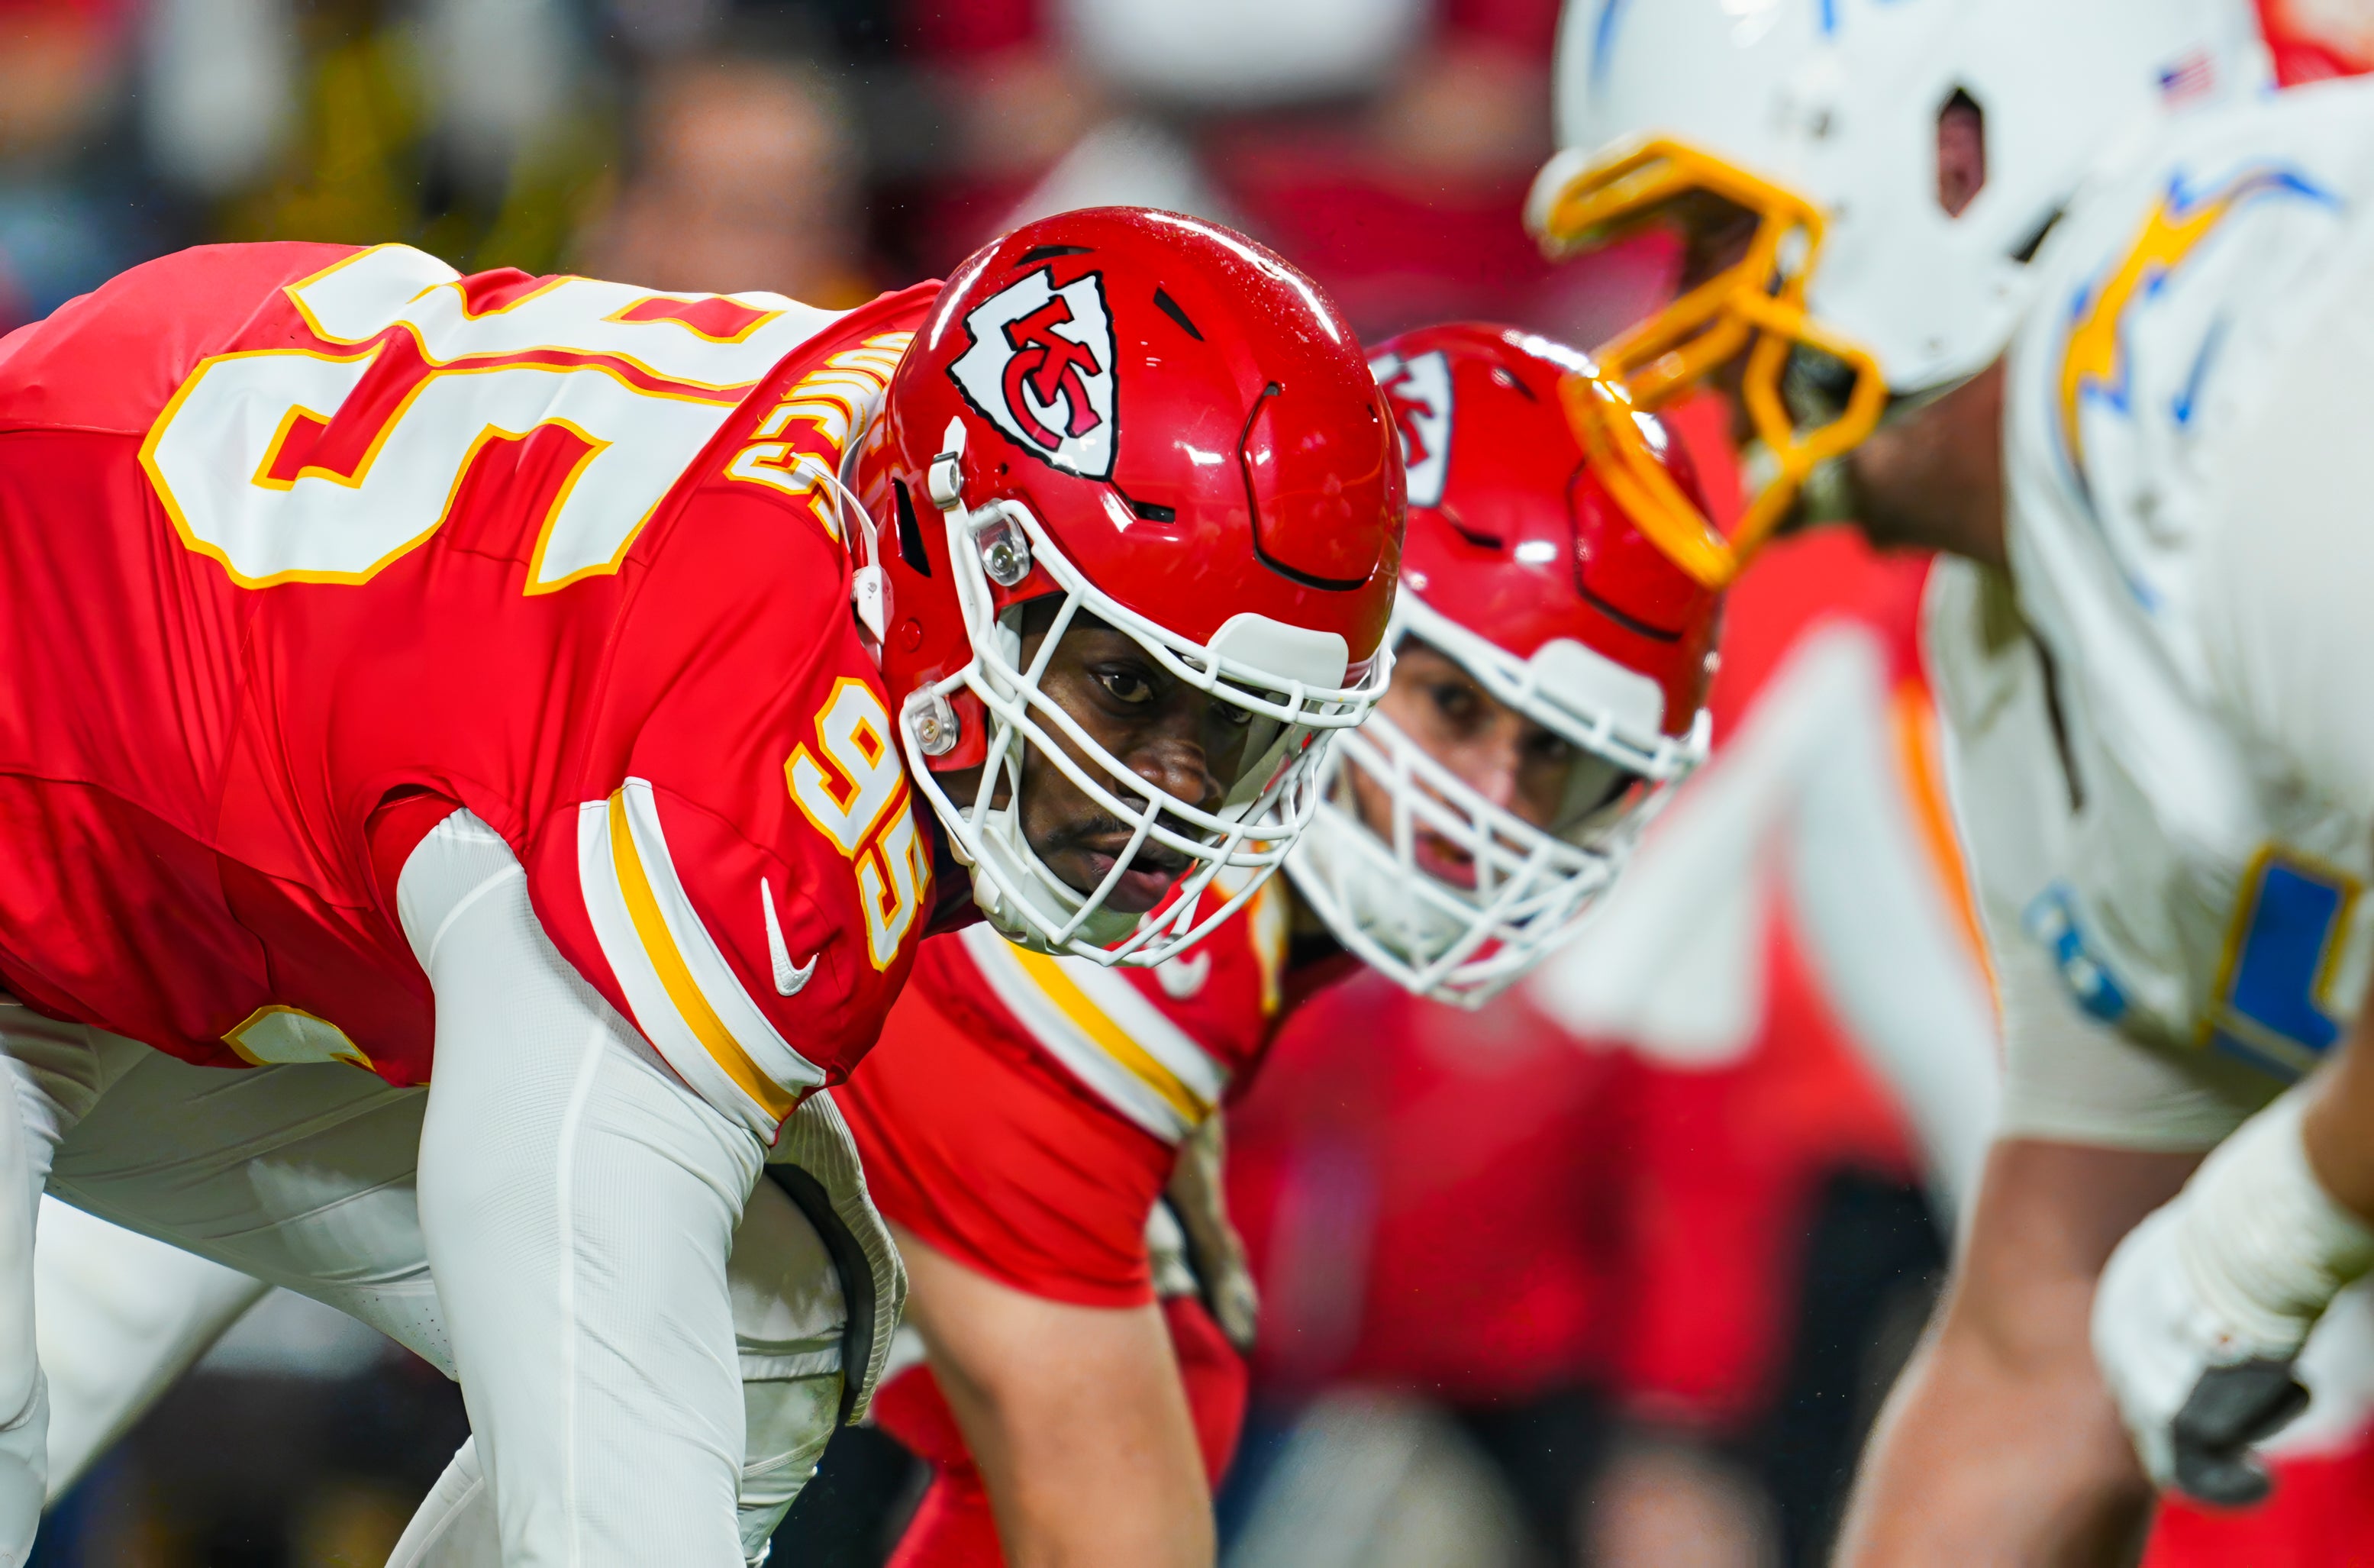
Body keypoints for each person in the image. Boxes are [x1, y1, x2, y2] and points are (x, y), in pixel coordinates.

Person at [0, 205, 1401, 1563]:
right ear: (960, 553)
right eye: (1124, 686)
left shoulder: (937, 429)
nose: (1171, 792)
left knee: (768, 1309)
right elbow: (596, 1434)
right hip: (58, 684)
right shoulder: (745, 793)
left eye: (1233, 725)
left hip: (192, 708)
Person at [1526, 0, 2374, 1562]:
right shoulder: (2023, 614)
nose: (1693, 325)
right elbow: (2041, 1347)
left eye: (1722, 236)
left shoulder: (2234, 343)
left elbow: (2187, 1279)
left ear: (1958, 153)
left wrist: (2268, 1230)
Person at [835, 321, 1719, 1565]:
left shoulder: (1219, 926)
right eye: (1453, 705)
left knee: (1178, 1369)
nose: (1492, 805)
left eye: (1556, 759)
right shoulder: (1114, 901)